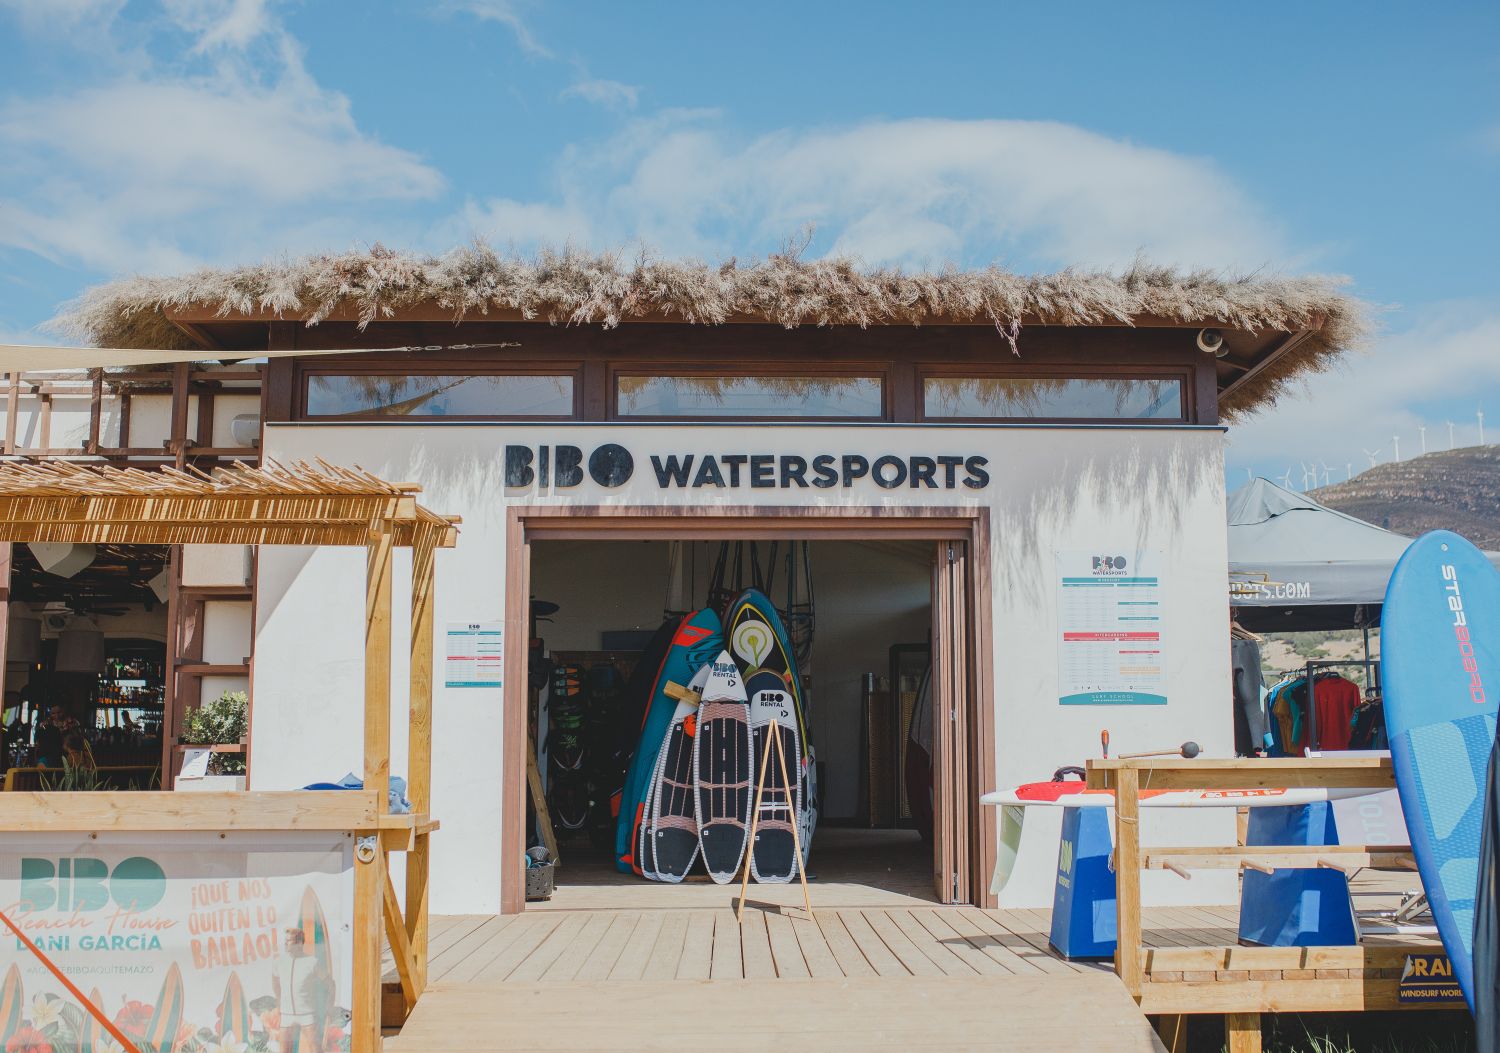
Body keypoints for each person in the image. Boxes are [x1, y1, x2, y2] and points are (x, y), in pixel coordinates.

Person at [273, 927, 334, 1053]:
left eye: (288, 941)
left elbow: (330, 984)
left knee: (315, 1050)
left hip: (307, 1014)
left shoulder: (312, 962)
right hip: (286, 1015)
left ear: (299, 943)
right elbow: (276, 983)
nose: (285, 944)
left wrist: (329, 1005)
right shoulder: (279, 962)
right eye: (285, 940)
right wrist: (279, 1003)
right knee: (284, 1051)